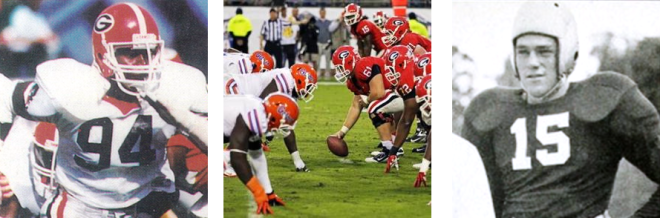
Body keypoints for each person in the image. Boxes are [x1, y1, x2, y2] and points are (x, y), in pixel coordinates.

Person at [4, 3, 207, 217]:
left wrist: (188, 122)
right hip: (81, 206)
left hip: (145, 199)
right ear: (103, 56)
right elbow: (7, 99)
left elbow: (224, 134)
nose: (143, 62)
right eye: (131, 53)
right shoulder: (68, 89)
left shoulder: (176, 84)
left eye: (150, 52)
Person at [462, 2, 660, 217]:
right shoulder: (489, 109)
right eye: (523, 52)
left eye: (544, 51)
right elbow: (473, 201)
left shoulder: (606, 96)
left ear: (567, 54)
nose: (532, 62)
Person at [224, 63, 317, 172]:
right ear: (300, 80)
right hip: (232, 87)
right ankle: (226, 161)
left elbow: (286, 127)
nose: (308, 91)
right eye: (309, 86)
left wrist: (298, 161)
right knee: (249, 124)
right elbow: (261, 104)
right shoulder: (285, 80)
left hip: (240, 91)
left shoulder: (290, 88)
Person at [224, 94, 297, 215]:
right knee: (223, 160)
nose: (282, 128)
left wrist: (268, 193)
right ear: (273, 117)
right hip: (200, 123)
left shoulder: (260, 113)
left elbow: (256, 155)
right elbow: (237, 159)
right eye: (283, 123)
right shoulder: (253, 115)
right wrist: (258, 192)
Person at [330, 45, 405, 163]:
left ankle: (388, 150)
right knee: (381, 105)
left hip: (406, 92)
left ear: (349, 62)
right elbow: (356, 106)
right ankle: (395, 147)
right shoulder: (352, 81)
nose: (339, 70)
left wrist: (368, 100)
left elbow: (378, 92)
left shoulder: (363, 65)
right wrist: (342, 131)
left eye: (340, 67)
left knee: (375, 107)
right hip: (397, 94)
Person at [316, 7, 332, 80]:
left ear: (325, 13)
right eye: (321, 12)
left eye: (323, 12)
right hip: (319, 43)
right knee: (318, 59)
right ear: (319, 13)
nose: (322, 14)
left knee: (327, 59)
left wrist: (330, 41)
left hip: (326, 43)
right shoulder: (316, 22)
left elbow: (331, 32)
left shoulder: (329, 22)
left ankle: (327, 72)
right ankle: (318, 72)